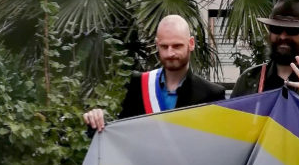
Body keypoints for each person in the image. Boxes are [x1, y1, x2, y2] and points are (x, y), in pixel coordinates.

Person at [83, 14, 225, 132]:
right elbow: (120, 133)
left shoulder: (212, 94)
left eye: (177, 46)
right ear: (157, 45)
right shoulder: (137, 84)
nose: (170, 53)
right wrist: (97, 119)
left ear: (191, 44)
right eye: (164, 46)